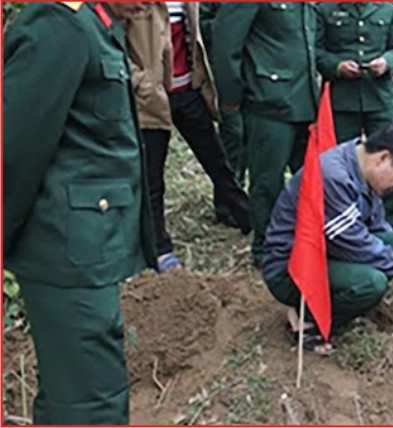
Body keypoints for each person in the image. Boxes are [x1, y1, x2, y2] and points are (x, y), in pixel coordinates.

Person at [3, 2, 153, 423]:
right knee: (91, 407)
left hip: (87, 250)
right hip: (65, 253)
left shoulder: (97, 26)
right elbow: (12, 149)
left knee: (74, 398)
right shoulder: (58, 27)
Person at [262, 124, 393, 354]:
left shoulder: (360, 168)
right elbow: (354, 241)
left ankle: (342, 301)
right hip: (291, 268)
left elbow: (375, 226)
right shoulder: (334, 177)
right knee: (371, 283)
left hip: (327, 247)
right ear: (383, 158)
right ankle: (308, 317)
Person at [126, 1, 251, 273]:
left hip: (188, 92)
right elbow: (115, 43)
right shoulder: (131, 4)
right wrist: (141, 82)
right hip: (152, 97)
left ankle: (247, 218)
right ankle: (159, 247)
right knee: (152, 176)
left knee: (217, 161)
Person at [213, 2, 319, 267]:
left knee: (308, 179)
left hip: (305, 100)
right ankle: (268, 248)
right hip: (268, 101)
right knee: (267, 183)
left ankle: (302, 242)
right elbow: (226, 45)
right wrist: (231, 99)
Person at [315, 2, 393, 230]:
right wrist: (337, 66)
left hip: (379, 98)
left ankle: (389, 219)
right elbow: (315, 51)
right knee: (341, 160)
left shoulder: (388, 8)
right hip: (342, 99)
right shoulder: (326, 8)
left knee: (392, 154)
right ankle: (344, 215)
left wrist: (387, 62)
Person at [199, 2, 248, 213]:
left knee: (249, 136)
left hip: (256, 68)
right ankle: (228, 203)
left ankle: (242, 197)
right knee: (233, 135)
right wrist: (230, 24)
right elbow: (201, 25)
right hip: (225, 69)